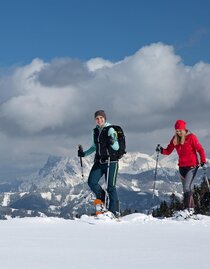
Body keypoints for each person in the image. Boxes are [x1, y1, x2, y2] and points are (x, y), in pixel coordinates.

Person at [156, 119, 207, 213]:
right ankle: (190, 209)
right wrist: (161, 150)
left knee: (187, 187)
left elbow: (200, 150)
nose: (178, 132)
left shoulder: (191, 137)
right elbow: (168, 151)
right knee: (185, 189)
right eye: (177, 130)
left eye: (180, 130)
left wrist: (203, 161)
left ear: (184, 129)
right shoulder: (175, 139)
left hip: (192, 166)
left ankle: (188, 209)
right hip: (182, 167)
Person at [78, 110, 120, 217]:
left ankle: (112, 212)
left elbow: (117, 147)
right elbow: (94, 147)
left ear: (105, 118)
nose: (99, 120)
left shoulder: (110, 129)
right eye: (97, 118)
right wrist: (84, 154)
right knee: (92, 182)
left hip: (112, 161)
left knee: (111, 187)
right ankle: (102, 196)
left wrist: (112, 141)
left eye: (101, 118)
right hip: (99, 161)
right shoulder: (95, 131)